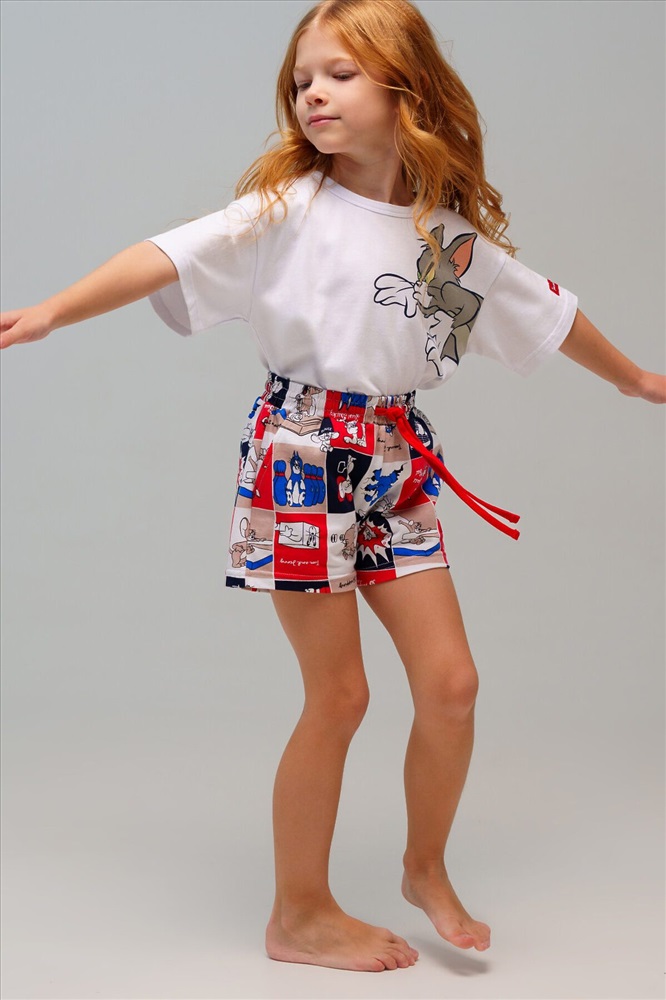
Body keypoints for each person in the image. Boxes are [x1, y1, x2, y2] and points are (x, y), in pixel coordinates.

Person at [1, 0, 664, 977]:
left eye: (339, 74)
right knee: (341, 694)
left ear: (405, 88)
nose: (313, 93)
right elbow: (168, 253)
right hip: (302, 453)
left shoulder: (445, 241)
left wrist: (639, 380)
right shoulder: (288, 212)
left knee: (452, 685)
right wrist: (55, 309)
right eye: (302, 78)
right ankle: (300, 912)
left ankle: (424, 867)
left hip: (396, 456)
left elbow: (551, 314)